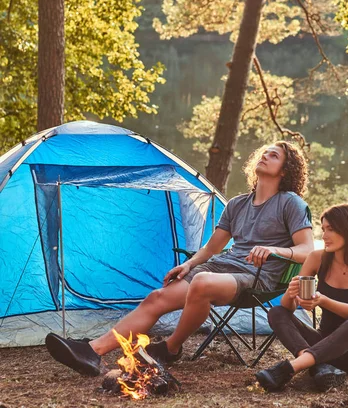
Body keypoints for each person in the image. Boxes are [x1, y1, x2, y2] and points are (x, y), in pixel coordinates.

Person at [45, 141, 313, 376]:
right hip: (222, 267)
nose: (264, 156)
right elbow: (211, 248)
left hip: (257, 277)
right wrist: (187, 265)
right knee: (156, 297)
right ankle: (92, 351)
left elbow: (306, 250)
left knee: (203, 283)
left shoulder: (290, 203)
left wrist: (275, 250)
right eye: (264, 153)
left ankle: (171, 348)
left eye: (274, 155)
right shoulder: (237, 204)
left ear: (285, 170)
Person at [256, 203, 348, 393]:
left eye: (331, 229)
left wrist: (324, 301)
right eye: (323, 229)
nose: (324, 235)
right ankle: (318, 365)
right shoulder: (317, 258)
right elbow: (287, 308)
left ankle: (292, 367)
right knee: (276, 312)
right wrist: (291, 293)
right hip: (324, 345)